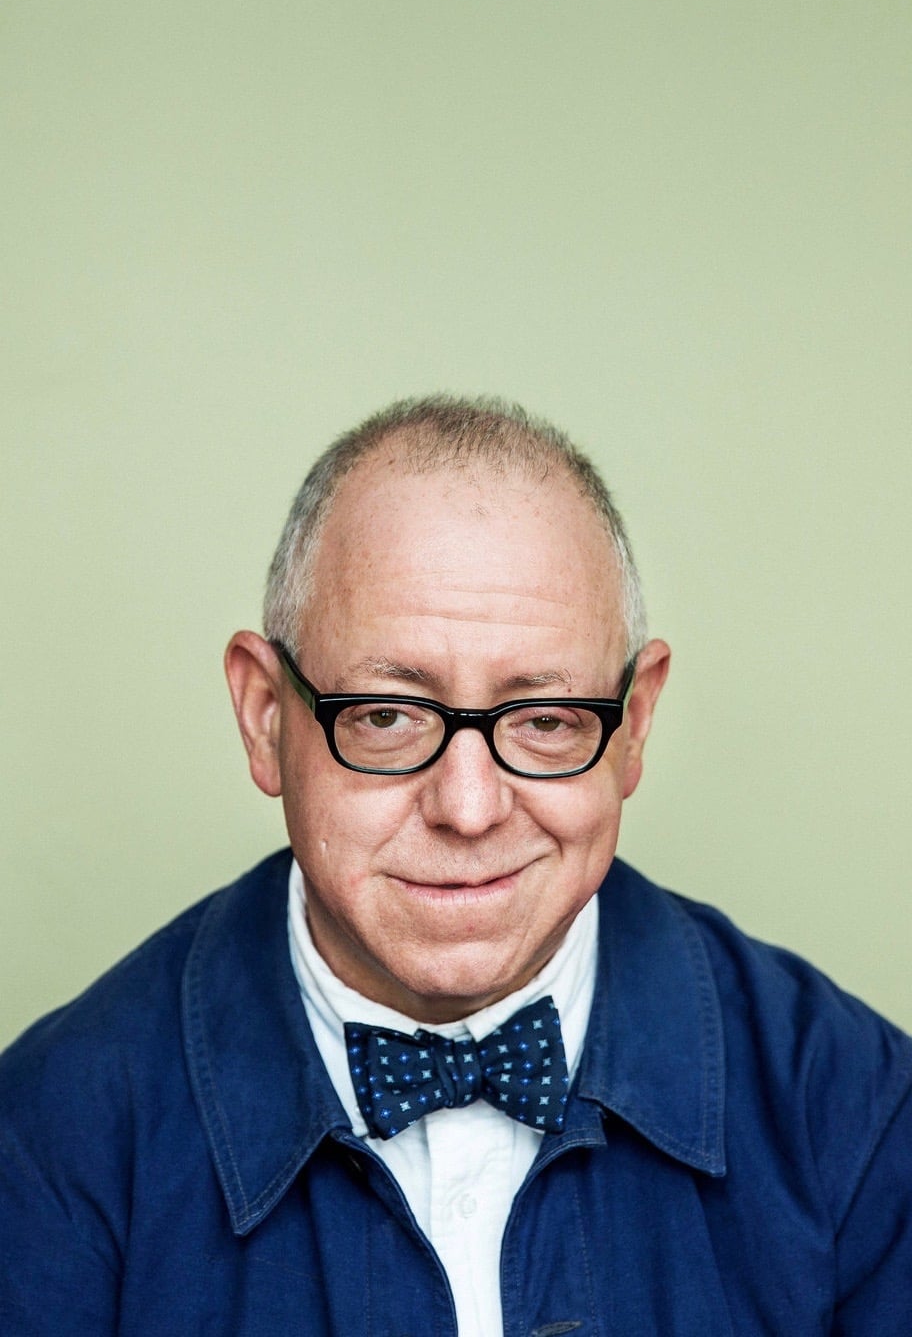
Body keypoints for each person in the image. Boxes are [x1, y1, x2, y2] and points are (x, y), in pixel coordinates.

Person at [1, 396, 910, 1335]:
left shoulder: (863, 1115)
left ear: (633, 726)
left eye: (546, 720)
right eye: (386, 717)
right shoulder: (45, 1139)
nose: (469, 810)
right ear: (265, 716)